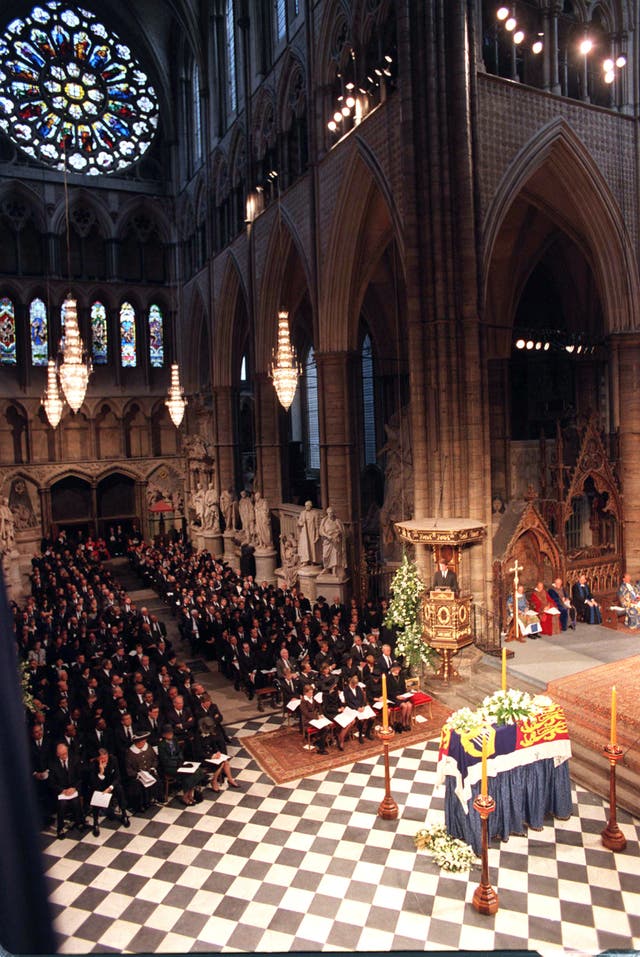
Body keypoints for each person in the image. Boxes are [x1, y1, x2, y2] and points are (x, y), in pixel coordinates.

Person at [48, 742, 87, 839]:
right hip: (62, 792)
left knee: (76, 801)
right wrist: (63, 790)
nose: (64, 756)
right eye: (62, 755)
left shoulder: (75, 760)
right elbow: (51, 783)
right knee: (62, 804)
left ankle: (79, 822)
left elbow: (80, 778)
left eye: (66, 753)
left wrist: (74, 788)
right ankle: (60, 829)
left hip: (73, 789)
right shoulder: (53, 764)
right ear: (58, 755)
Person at [87, 747, 130, 835]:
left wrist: (110, 788)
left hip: (111, 785)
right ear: (98, 758)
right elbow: (94, 784)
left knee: (119, 789)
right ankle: (96, 822)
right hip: (99, 787)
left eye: (105, 758)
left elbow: (118, 777)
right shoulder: (93, 765)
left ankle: (124, 814)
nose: (104, 760)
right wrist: (101, 773)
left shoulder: (113, 760)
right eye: (102, 759)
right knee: (96, 794)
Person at [158, 725, 203, 805]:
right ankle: (185, 796)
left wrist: (180, 761)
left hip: (179, 763)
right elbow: (165, 760)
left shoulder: (175, 740)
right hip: (170, 767)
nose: (170, 734)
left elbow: (179, 752)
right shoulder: (161, 745)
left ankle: (190, 793)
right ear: (164, 735)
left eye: (171, 732)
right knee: (188, 774)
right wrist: (177, 763)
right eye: (168, 733)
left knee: (198, 771)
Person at [343, 672, 373, 743]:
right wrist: (357, 708)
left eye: (356, 684)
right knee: (361, 720)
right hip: (353, 709)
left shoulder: (358, 688)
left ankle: (367, 732)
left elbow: (362, 698)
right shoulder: (346, 690)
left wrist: (362, 706)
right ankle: (360, 735)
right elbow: (348, 703)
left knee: (372, 717)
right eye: (354, 685)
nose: (356, 686)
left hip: (361, 707)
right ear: (351, 683)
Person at [386, 661, 413, 731]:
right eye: (396, 669)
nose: (398, 671)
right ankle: (402, 723)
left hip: (402, 695)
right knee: (404, 706)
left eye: (398, 669)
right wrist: (396, 696)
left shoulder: (401, 677)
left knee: (409, 705)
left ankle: (407, 722)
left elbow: (404, 688)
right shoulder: (388, 678)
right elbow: (388, 691)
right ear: (393, 669)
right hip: (393, 697)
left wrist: (405, 695)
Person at [319, 507, 346, 575]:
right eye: (329, 513)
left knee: (335, 555)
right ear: (327, 513)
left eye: (331, 513)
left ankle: (334, 569)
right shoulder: (324, 520)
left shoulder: (337, 521)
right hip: (327, 541)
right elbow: (321, 531)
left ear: (333, 513)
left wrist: (336, 533)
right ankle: (326, 568)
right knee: (325, 555)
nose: (330, 514)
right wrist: (327, 536)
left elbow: (342, 531)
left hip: (335, 541)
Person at [296, 501, 319, 565]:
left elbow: (317, 525)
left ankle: (312, 561)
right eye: (305, 505)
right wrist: (301, 523)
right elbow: (299, 522)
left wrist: (317, 535)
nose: (306, 507)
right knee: (304, 546)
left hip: (312, 531)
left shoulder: (315, 513)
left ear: (310, 506)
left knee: (312, 546)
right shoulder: (302, 513)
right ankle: (305, 561)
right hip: (304, 533)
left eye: (307, 505)